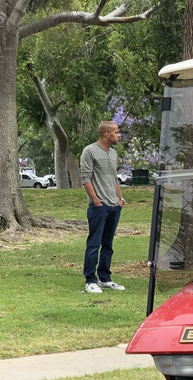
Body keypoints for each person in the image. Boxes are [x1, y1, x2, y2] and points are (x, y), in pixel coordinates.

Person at [80, 121, 126, 293]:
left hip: (114, 206)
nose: (119, 135)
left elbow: (114, 178)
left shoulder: (113, 154)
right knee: (94, 243)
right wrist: (96, 201)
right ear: (106, 134)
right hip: (99, 207)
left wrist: (120, 199)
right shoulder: (89, 151)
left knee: (108, 244)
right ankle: (90, 280)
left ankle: (105, 278)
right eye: (116, 132)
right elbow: (86, 178)